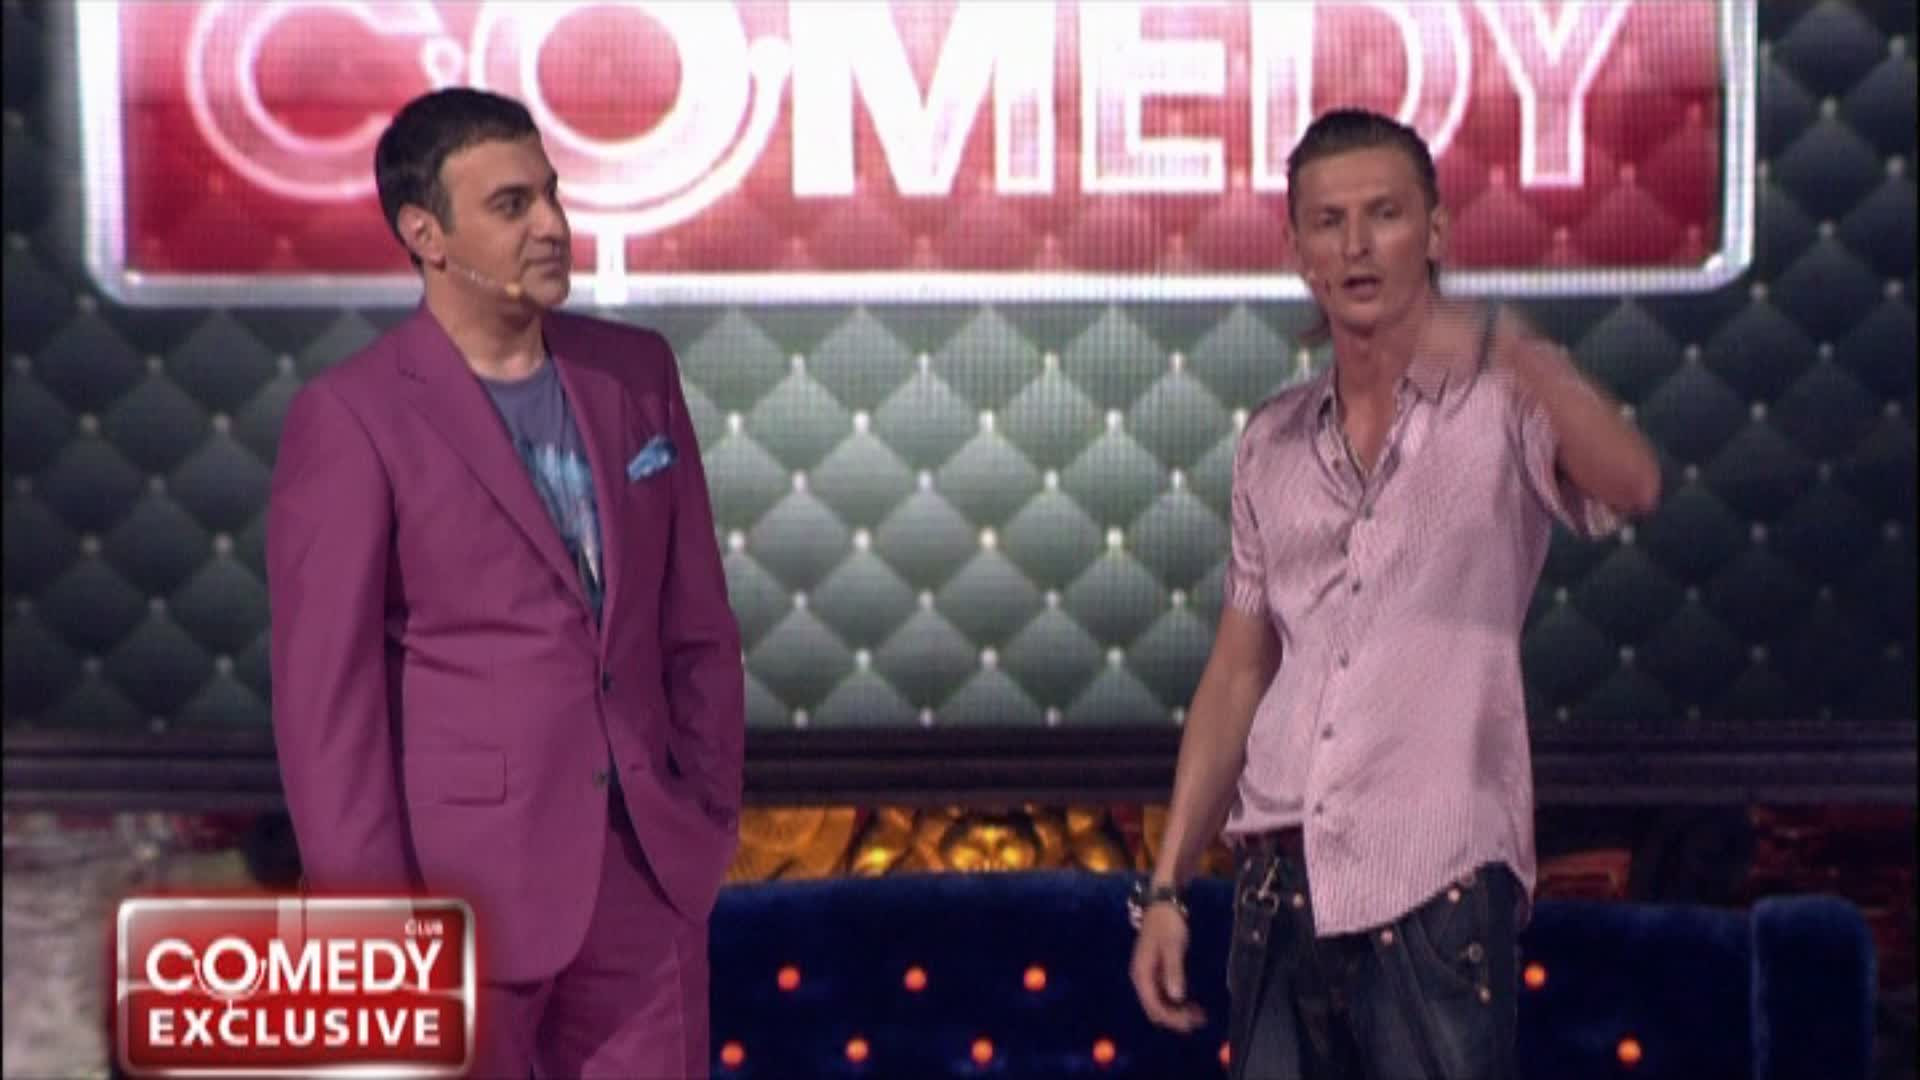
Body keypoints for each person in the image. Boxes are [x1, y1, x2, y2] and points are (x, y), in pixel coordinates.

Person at [1128, 108, 1662, 1079]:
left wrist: (1514, 349)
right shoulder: (1272, 440)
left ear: (1436, 230)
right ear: (1297, 250)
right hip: (1278, 890)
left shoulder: (1502, 407)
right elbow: (1239, 671)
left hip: (1435, 891)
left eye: (1384, 214)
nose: (1357, 245)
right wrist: (1166, 889)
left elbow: (1633, 482)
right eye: (1329, 221)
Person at [267, 87, 743, 1079]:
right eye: (512, 205)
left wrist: (704, 808)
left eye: (552, 195)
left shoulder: (636, 374)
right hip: (458, 895)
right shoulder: (353, 416)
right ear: (426, 235)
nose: (552, 226)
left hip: (646, 877)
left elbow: (696, 623)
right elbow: (327, 708)